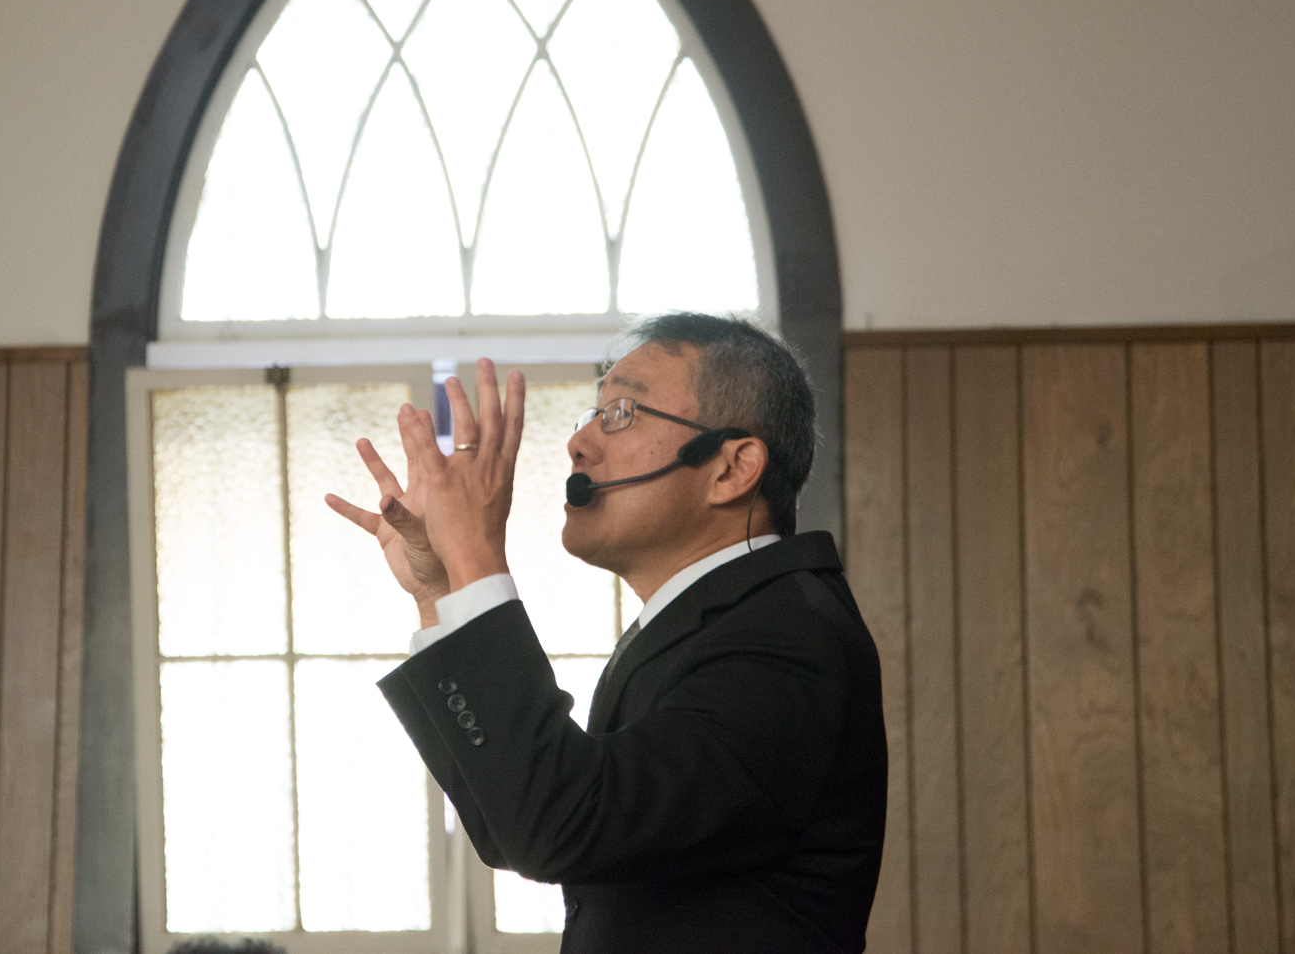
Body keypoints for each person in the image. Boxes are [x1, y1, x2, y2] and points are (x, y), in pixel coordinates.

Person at [327, 313, 887, 953]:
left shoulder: (788, 638)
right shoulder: (713, 620)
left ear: (732, 469)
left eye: (622, 413)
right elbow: (510, 822)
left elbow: (558, 824)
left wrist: (476, 554)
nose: (579, 442)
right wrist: (440, 589)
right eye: (591, 414)